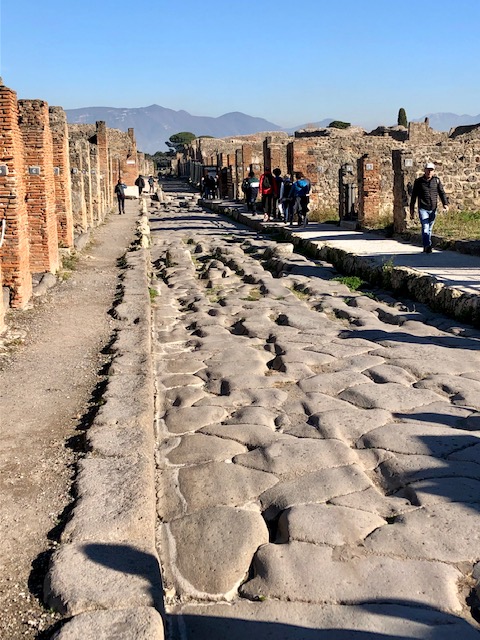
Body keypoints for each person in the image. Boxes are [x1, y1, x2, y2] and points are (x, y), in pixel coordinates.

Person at [410, 162, 449, 253]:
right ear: (425, 170)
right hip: (423, 208)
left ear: (433, 171)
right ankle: (427, 245)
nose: (429, 172)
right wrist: (412, 208)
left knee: (429, 228)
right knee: (425, 227)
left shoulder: (436, 181)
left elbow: (441, 193)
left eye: (431, 170)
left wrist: (445, 204)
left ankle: (426, 245)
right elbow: (414, 195)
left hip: (433, 208)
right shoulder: (419, 182)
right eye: (428, 170)